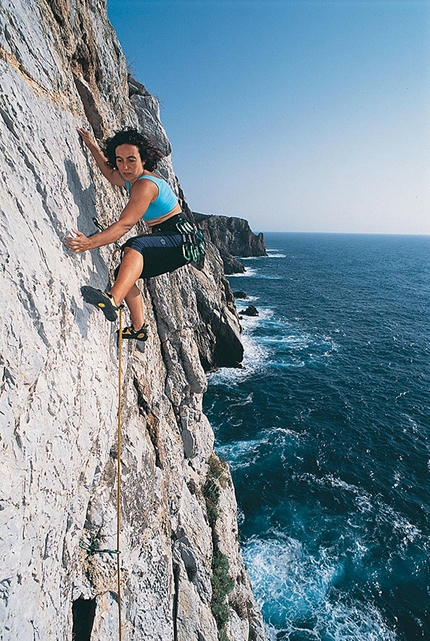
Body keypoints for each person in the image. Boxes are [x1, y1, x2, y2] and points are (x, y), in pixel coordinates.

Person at [65, 128, 204, 341]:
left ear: (143, 159)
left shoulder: (146, 185)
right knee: (124, 273)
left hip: (180, 238)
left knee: (135, 245)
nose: (125, 167)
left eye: (131, 160)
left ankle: (113, 299)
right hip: (172, 239)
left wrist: (88, 243)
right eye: (119, 160)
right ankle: (139, 329)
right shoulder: (130, 178)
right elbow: (110, 174)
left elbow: (125, 225)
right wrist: (92, 145)